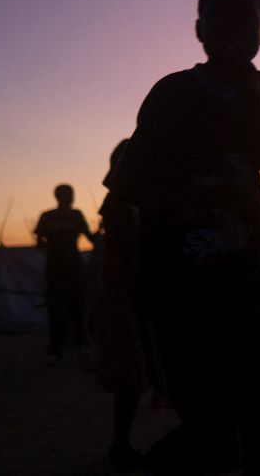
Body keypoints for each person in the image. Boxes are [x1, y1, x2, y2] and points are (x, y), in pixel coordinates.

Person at [113, 0, 260, 474]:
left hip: (251, 292)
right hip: (185, 298)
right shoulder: (172, 93)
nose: (234, 28)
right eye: (221, 15)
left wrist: (253, 100)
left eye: (248, 18)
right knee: (209, 426)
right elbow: (127, 190)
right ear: (199, 29)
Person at [96, 140, 160, 472]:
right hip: (130, 295)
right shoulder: (124, 205)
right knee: (130, 369)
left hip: (135, 293)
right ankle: (120, 444)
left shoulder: (123, 202)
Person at [34, 183, 92, 362]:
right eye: (68, 194)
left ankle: (78, 344)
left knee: (77, 305)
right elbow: (39, 242)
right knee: (56, 307)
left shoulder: (75, 215)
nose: (71, 197)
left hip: (72, 266)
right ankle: (57, 348)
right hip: (57, 267)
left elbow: (91, 237)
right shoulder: (49, 216)